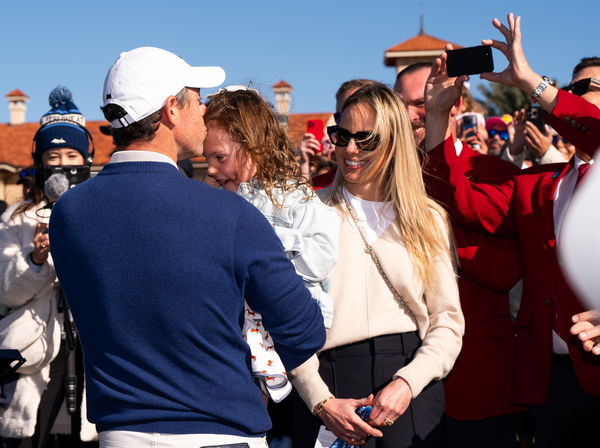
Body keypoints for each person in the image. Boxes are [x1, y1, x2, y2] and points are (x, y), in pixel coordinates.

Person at [48, 47, 326, 448]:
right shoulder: (230, 214)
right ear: (170, 110)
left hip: (120, 433)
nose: (203, 110)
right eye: (196, 98)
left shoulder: (68, 212)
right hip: (220, 432)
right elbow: (304, 332)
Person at [424, 13, 600, 447]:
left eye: (585, 89)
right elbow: (460, 203)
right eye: (570, 88)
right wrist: (435, 117)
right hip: (551, 384)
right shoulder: (542, 185)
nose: (570, 97)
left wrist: (529, 81)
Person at [289, 83, 464, 448]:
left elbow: (447, 321)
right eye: (342, 136)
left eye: (366, 140)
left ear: (393, 142)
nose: (350, 150)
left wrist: (409, 381)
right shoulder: (306, 212)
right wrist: (320, 399)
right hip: (328, 387)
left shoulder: (427, 217)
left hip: (411, 387)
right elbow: (285, 321)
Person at [395, 62, 525, 448]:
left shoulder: (494, 171)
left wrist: (433, 237)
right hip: (398, 380)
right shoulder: (379, 178)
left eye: (423, 102)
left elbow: (505, 272)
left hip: (478, 381)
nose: (409, 114)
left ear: (456, 103)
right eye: (401, 102)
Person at [203, 86, 338, 447]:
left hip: (292, 333)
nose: (212, 169)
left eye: (220, 157)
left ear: (252, 147)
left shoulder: (296, 197)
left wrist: (263, 241)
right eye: (207, 159)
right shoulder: (217, 198)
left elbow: (321, 258)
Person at [0, 87, 96, 447]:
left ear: (87, 157)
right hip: (35, 349)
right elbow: (5, 291)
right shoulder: (17, 217)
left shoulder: (103, 212)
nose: (62, 164)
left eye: (71, 154)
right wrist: (36, 259)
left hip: (90, 346)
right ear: (40, 161)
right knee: (35, 434)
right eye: (53, 155)